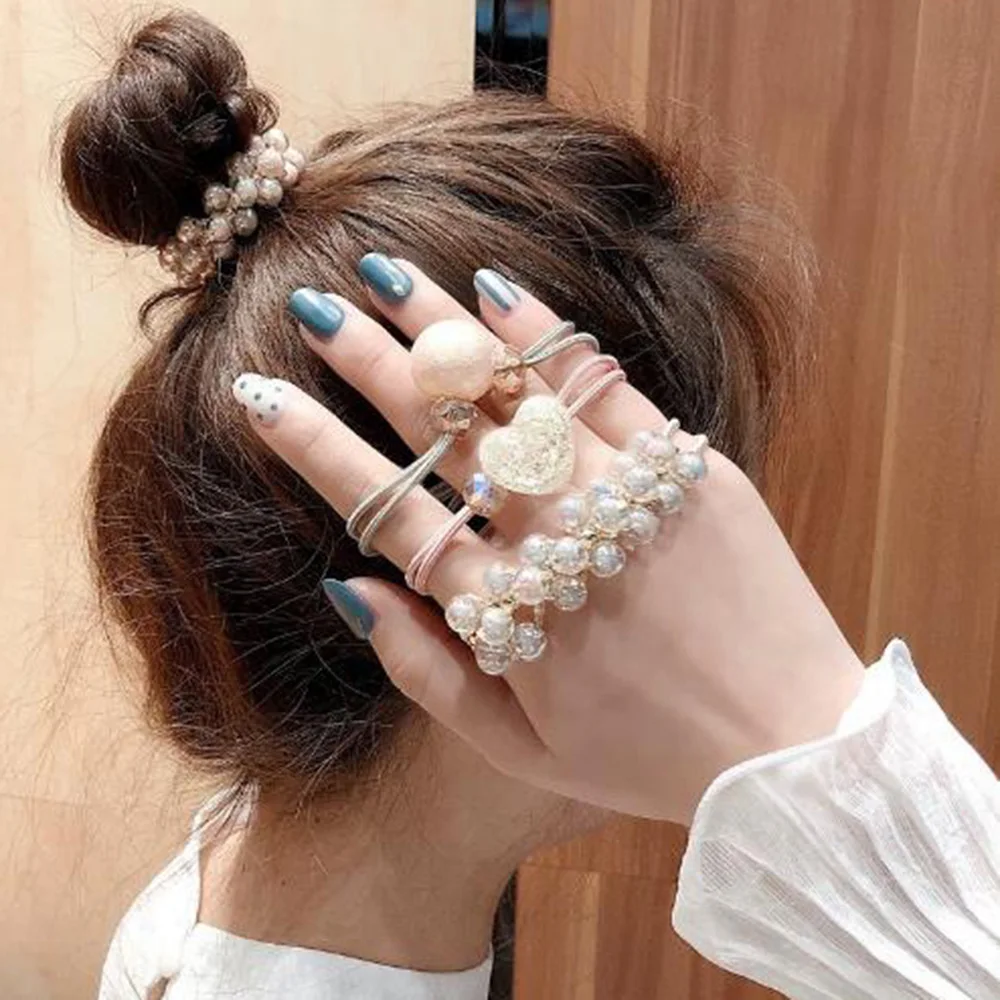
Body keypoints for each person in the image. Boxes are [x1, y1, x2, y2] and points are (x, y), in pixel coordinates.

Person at [59, 11, 999, 1000]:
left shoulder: (247, 863)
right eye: (657, 523)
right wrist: (817, 748)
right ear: (474, 592)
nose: (722, 603)